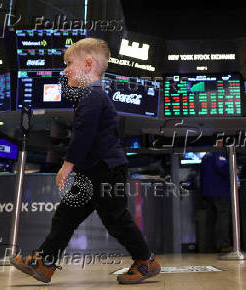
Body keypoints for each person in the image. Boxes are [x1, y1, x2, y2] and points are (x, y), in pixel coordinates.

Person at [10, 38, 160, 284]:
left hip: (107, 170)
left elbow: (83, 136)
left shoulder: (93, 96)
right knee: (65, 216)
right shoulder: (91, 96)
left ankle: (146, 261)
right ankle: (45, 262)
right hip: (92, 170)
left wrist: (66, 166)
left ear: (88, 64)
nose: (65, 69)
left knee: (115, 219)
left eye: (69, 63)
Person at [200, 140, 232, 253]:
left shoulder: (205, 156)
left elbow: (202, 176)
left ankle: (209, 246)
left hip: (208, 193)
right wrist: (233, 172)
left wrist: (203, 194)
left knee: (211, 220)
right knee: (223, 217)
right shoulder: (219, 153)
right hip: (220, 191)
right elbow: (221, 167)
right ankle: (224, 245)